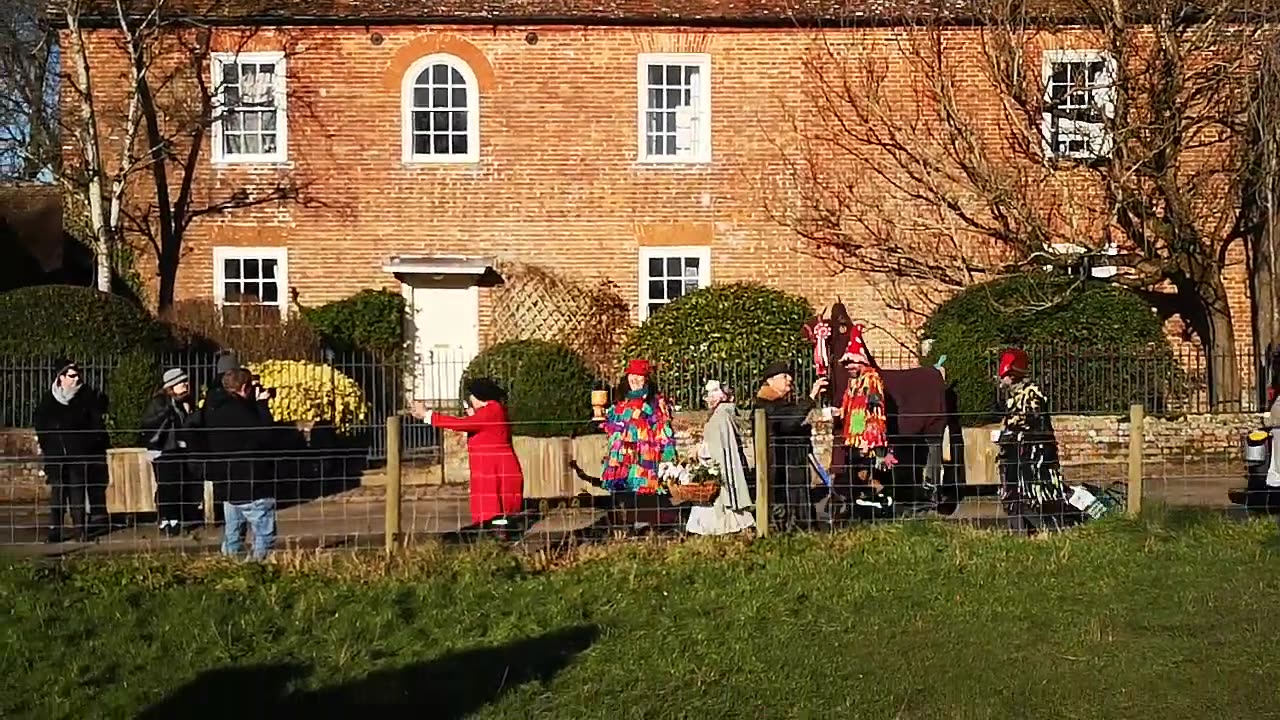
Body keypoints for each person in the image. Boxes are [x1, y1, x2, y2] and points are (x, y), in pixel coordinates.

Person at [411, 377, 524, 528]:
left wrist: (428, 415)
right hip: (492, 467)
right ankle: (498, 535)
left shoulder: (491, 411)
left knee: (495, 513)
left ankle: (499, 537)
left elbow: (461, 424)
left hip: (493, 469)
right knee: (496, 511)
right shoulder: (493, 410)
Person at [994, 348, 1081, 534]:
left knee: (1036, 494)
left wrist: (1013, 430)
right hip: (1015, 454)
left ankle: (1047, 529)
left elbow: (1032, 421)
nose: (1002, 380)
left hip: (1034, 456)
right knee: (1012, 494)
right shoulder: (1014, 398)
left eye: (1006, 376)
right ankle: (1020, 532)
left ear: (1014, 375)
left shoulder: (1032, 394)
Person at [202, 367, 279, 559]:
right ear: (245, 387)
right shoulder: (239, 411)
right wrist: (262, 405)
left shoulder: (213, 407)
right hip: (251, 480)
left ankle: (229, 566)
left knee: (233, 533)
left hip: (227, 481)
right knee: (264, 533)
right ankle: (257, 568)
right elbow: (266, 434)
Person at [33, 360, 110, 543]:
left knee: (77, 493)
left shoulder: (87, 397)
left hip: (79, 455)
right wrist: (49, 445)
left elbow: (96, 425)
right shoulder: (49, 399)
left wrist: (86, 444)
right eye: (72, 376)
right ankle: (55, 530)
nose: (77, 379)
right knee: (58, 493)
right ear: (61, 378)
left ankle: (80, 530)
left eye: (78, 375)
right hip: (56, 455)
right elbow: (40, 425)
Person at [832, 324, 896, 517]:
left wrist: (870, 440)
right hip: (855, 437)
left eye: (852, 362)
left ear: (861, 361)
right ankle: (865, 507)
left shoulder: (871, 379)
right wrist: (841, 412)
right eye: (847, 363)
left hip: (868, 439)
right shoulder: (854, 382)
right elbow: (854, 409)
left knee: (868, 474)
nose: (849, 366)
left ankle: (884, 504)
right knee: (858, 473)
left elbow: (875, 410)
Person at [755, 362, 825, 531]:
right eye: (784, 376)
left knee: (799, 496)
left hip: (793, 462)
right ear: (770, 381)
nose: (790, 379)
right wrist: (811, 397)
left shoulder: (779, 403)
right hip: (781, 465)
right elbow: (789, 421)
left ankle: (803, 527)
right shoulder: (765, 404)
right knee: (788, 500)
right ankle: (793, 529)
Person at [686, 380, 755, 536]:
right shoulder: (722, 414)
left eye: (709, 397)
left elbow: (716, 449)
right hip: (719, 467)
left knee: (719, 497)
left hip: (719, 469)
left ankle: (724, 530)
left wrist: (699, 450)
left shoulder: (721, 416)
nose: (706, 401)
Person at [600, 359, 677, 495]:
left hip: (643, 464)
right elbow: (613, 430)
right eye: (632, 374)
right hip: (621, 466)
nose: (634, 379)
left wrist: (667, 460)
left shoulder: (655, 404)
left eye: (639, 375)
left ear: (646, 379)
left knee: (643, 507)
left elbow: (663, 433)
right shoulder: (620, 404)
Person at [140, 368, 197, 536]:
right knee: (167, 486)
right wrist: (169, 412)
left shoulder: (186, 402)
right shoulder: (161, 402)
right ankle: (166, 519)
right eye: (181, 382)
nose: (186, 385)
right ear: (171, 386)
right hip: (164, 449)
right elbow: (149, 423)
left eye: (186, 381)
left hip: (180, 448)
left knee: (178, 485)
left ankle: (175, 518)